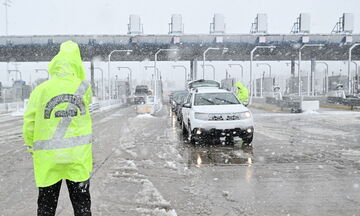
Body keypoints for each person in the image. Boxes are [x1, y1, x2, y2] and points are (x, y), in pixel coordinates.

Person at [23, 41, 93, 216]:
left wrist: (31, 145)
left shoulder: (40, 91)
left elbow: (29, 122)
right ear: (77, 62)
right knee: (82, 208)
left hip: (48, 160)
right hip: (77, 159)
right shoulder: (84, 88)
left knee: (46, 207)